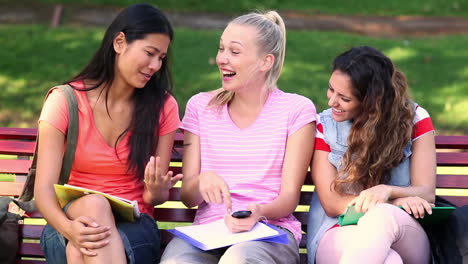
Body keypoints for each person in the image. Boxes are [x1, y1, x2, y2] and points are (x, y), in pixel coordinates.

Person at [160, 10, 316, 264]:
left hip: (270, 233)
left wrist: (259, 212)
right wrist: (201, 181)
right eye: (221, 49)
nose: (221, 59)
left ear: (265, 62)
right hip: (208, 235)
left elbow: (288, 198)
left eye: (234, 52)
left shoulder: (296, 110)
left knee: (237, 260)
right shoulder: (201, 107)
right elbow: (188, 197)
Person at [34, 3, 182, 264]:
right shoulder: (64, 101)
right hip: (66, 222)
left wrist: (157, 190)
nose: (156, 65)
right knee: (94, 207)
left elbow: (153, 199)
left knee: (80, 248)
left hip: (135, 227)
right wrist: (71, 230)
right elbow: (44, 190)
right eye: (150, 53)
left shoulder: (163, 106)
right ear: (119, 42)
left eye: (161, 58)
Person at [307, 46, 436, 264]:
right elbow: (331, 203)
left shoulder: (415, 119)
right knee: (390, 261)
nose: (331, 102)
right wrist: (394, 203)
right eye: (331, 90)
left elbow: (426, 193)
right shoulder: (324, 126)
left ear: (371, 101)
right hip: (338, 231)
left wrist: (386, 191)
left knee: (381, 218)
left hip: (402, 232)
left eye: (344, 98)